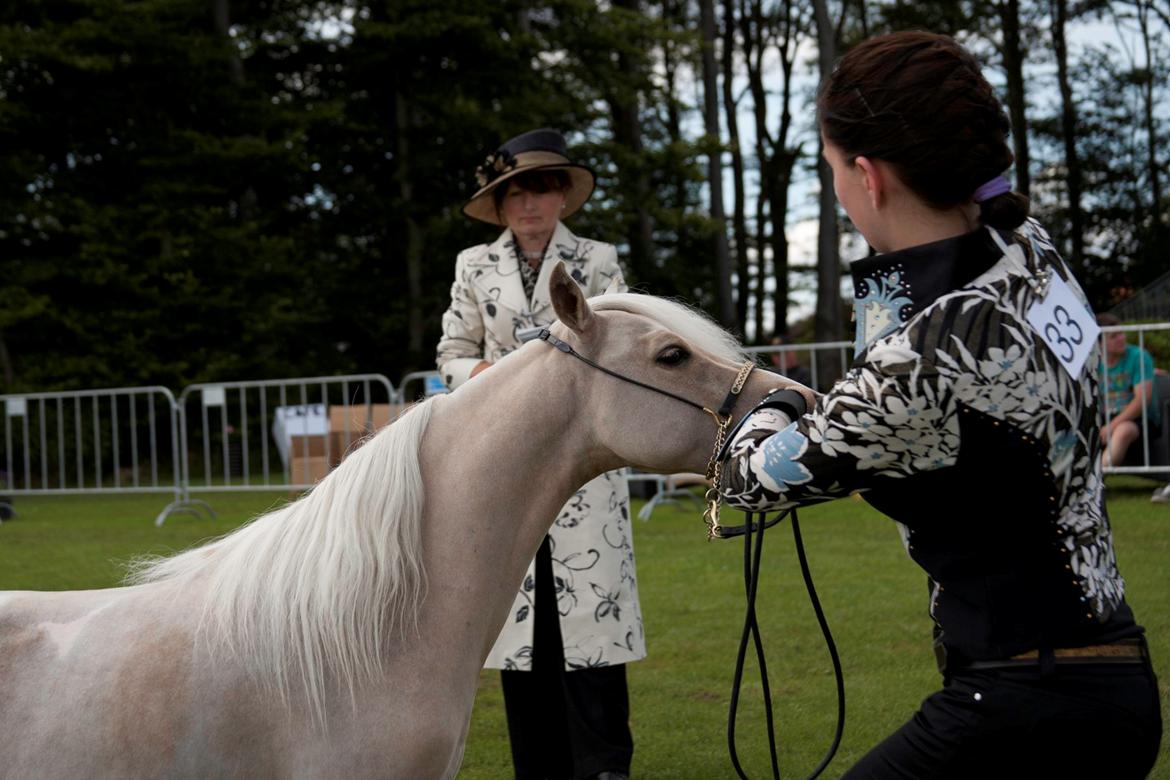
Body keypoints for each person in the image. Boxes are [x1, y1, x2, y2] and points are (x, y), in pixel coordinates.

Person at [719, 32, 1161, 777]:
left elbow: (746, 482)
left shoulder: (918, 357)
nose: (835, 191)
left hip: (1026, 700)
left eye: (832, 170)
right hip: (1109, 679)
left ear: (866, 174)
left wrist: (771, 400)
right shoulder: (1030, 246)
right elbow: (902, 373)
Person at [436, 128, 641, 780]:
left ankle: (604, 765)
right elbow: (452, 356)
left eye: (542, 189)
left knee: (591, 619)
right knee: (519, 627)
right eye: (515, 193)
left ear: (562, 197)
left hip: (585, 462)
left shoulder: (601, 262)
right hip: (505, 467)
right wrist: (498, 382)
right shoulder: (473, 266)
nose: (529, 205)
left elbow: (621, 349)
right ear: (499, 205)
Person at [1097, 312, 1161, 468]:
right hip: (1105, 418)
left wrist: (1110, 427)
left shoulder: (1138, 356)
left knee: (1123, 430)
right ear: (1099, 344)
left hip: (1140, 421)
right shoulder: (1093, 362)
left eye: (1121, 333)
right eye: (1113, 336)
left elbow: (1142, 400)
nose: (1122, 339)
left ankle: (1097, 478)